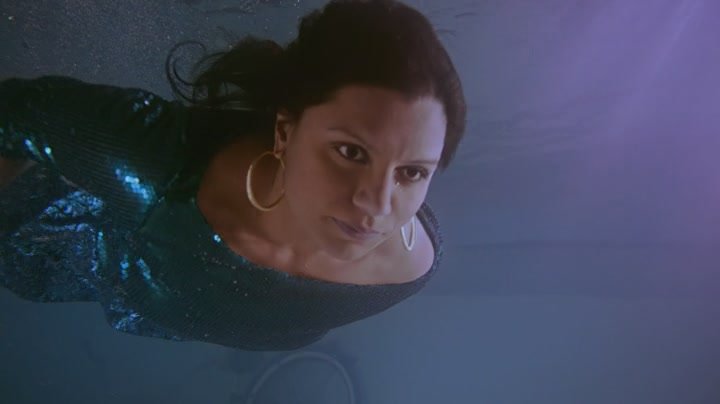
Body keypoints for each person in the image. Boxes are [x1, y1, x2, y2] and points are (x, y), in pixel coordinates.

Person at [0, 0, 466, 350]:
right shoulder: (157, 167)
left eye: (411, 172)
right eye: (351, 152)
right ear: (284, 132)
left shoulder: (412, 270)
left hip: (163, 318)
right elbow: (15, 110)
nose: (377, 206)